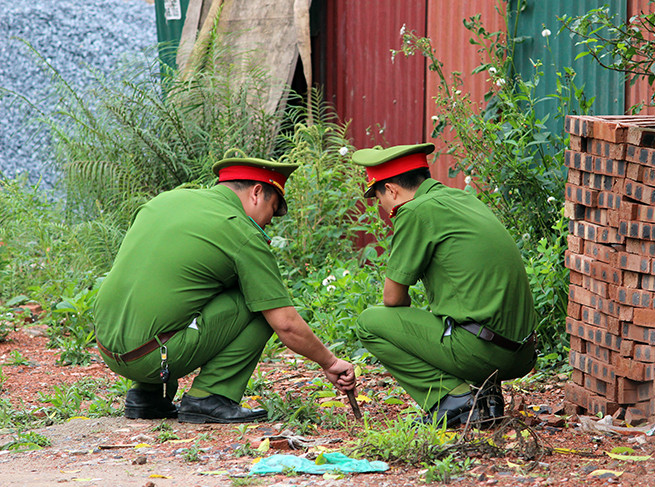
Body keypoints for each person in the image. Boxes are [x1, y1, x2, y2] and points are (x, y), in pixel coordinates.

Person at [94, 152, 355, 423]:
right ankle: (211, 396)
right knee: (261, 305)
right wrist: (330, 362)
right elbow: (286, 324)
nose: (270, 221)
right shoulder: (242, 231)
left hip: (107, 345)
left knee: (188, 285)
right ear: (256, 193)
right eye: (273, 208)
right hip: (151, 357)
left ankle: (149, 397)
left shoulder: (164, 201)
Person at [351, 143, 537, 427]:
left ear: (391, 190)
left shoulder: (415, 211)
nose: (382, 209)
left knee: (369, 322)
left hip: (483, 353)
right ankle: (486, 396)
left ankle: (453, 399)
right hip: (522, 354)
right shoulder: (463, 200)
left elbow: (393, 298)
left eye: (378, 200)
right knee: (459, 316)